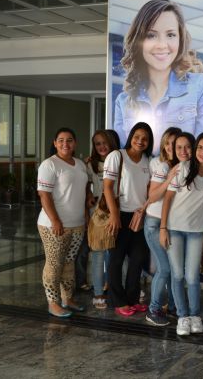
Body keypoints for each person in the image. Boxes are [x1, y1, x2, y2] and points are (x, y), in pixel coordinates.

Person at [113, 0, 203, 151]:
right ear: (139, 41)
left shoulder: (202, 86)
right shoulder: (123, 101)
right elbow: (125, 157)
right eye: (151, 35)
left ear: (180, 39)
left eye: (170, 35)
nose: (162, 45)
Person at [161, 132, 203, 336]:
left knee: (192, 276)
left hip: (197, 231)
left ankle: (195, 316)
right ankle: (182, 316)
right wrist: (163, 228)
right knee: (177, 274)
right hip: (174, 229)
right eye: (200, 148)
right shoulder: (183, 168)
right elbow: (167, 199)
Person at [37, 128, 89, 317]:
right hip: (54, 225)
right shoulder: (49, 164)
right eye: (61, 140)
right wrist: (55, 220)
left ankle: (68, 299)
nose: (65, 144)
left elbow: (83, 191)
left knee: (68, 263)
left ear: (75, 143)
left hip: (77, 224)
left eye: (69, 140)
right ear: (55, 143)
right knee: (54, 264)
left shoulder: (80, 164)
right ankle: (53, 303)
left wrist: (85, 215)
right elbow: (44, 194)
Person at [104, 122, 153, 317]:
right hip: (120, 214)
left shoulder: (148, 161)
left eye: (145, 138)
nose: (140, 141)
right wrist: (114, 214)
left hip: (139, 216)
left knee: (138, 259)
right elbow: (107, 187)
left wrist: (143, 211)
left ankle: (132, 298)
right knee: (116, 260)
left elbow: (149, 190)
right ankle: (118, 300)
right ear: (131, 136)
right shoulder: (117, 156)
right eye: (137, 136)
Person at [143, 127, 182, 325]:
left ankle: (173, 308)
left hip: (170, 224)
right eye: (168, 143)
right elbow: (152, 196)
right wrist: (169, 178)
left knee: (174, 269)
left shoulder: (180, 166)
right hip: (155, 223)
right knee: (165, 269)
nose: (171, 147)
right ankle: (153, 310)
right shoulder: (162, 166)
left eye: (175, 144)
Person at [86, 130, 118, 309]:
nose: (102, 146)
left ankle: (114, 288)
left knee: (115, 255)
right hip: (97, 215)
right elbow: (85, 183)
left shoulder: (120, 160)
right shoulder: (90, 164)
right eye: (97, 143)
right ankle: (98, 293)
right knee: (98, 255)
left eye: (104, 142)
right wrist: (88, 194)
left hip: (116, 213)